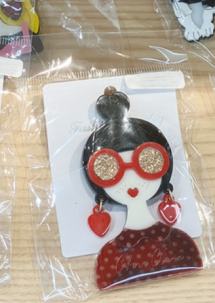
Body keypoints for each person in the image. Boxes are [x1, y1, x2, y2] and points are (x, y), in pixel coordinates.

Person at [82, 88, 202, 291]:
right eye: (110, 169)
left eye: (147, 163)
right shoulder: (110, 258)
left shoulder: (182, 245)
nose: (131, 182)